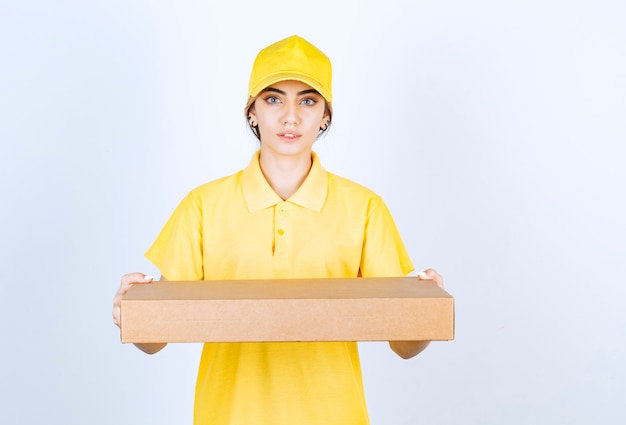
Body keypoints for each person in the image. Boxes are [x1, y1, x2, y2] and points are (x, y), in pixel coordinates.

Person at [112, 35, 444, 425]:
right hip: (229, 415)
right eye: (273, 99)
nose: (291, 117)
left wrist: (427, 311)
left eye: (308, 100)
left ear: (325, 115)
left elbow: (404, 344)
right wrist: (131, 311)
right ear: (252, 112)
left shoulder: (364, 208)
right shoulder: (203, 206)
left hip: (334, 414)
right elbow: (156, 339)